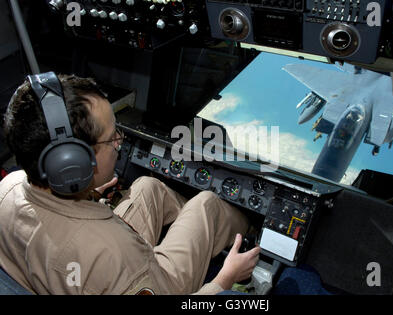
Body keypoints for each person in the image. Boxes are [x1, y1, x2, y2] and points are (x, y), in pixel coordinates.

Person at [0, 73, 261, 295]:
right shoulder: (113, 253)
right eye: (111, 137)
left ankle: (207, 242)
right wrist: (224, 279)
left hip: (83, 265)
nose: (119, 142)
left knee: (149, 187)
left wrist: (87, 195)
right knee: (207, 204)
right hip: (141, 278)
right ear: (73, 165)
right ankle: (251, 241)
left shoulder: (9, 186)